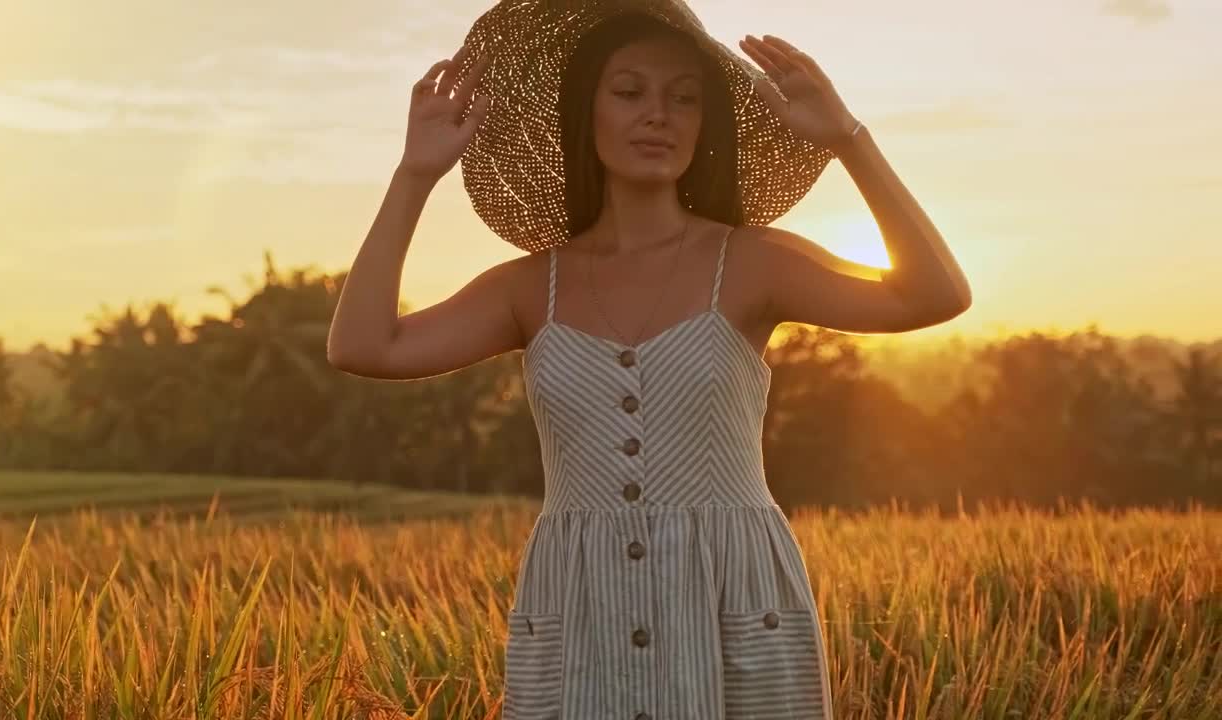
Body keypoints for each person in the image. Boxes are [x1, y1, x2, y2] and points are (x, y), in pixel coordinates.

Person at [327, 1, 971, 717]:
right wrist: (414, 175)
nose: (658, 114)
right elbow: (362, 345)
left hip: (736, 602)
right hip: (578, 612)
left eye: (684, 98)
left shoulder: (753, 263)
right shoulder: (527, 287)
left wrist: (849, 140)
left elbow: (933, 295)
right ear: (586, 111)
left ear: (704, 125)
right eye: (629, 91)